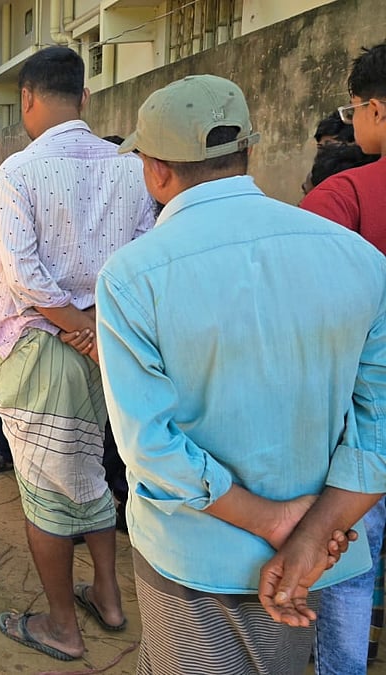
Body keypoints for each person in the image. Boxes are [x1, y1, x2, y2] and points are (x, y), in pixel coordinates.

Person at [98, 73, 385, 673]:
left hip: (195, 556)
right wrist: (312, 531)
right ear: (248, 152)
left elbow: (148, 446)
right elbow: (376, 425)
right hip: (319, 555)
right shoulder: (358, 259)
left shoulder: (132, 277)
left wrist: (273, 521)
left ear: (154, 170)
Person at [0, 46, 155, 661]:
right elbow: (140, 262)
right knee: (89, 478)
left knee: (47, 491)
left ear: (27, 98)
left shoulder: (18, 173)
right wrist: (94, 328)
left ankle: (62, 625)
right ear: (84, 99)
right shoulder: (133, 171)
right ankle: (106, 597)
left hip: (38, 349)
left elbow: (23, 273)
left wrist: (72, 325)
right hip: (105, 351)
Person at [299, 42, 386, 675]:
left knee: (351, 570)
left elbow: (297, 311)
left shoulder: (347, 195)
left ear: (375, 109)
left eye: (353, 108)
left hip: (365, 421)